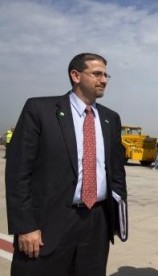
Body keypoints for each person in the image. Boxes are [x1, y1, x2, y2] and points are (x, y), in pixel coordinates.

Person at [5, 53, 127, 276]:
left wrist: (117, 218)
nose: (104, 80)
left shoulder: (111, 118)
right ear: (76, 75)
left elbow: (117, 172)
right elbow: (18, 172)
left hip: (96, 222)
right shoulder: (40, 110)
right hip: (48, 223)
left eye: (106, 75)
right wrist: (25, 226)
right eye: (97, 74)